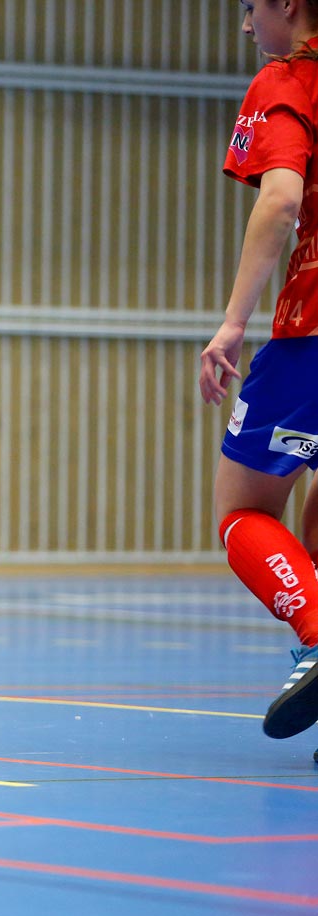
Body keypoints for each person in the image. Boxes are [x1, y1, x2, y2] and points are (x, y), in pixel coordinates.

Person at [201, 0, 318, 741]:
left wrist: (234, 323)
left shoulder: (290, 77)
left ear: (288, 6)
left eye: (251, 6)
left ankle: (316, 631)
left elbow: (281, 198)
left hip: (313, 329)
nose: (247, 25)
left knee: (243, 508)